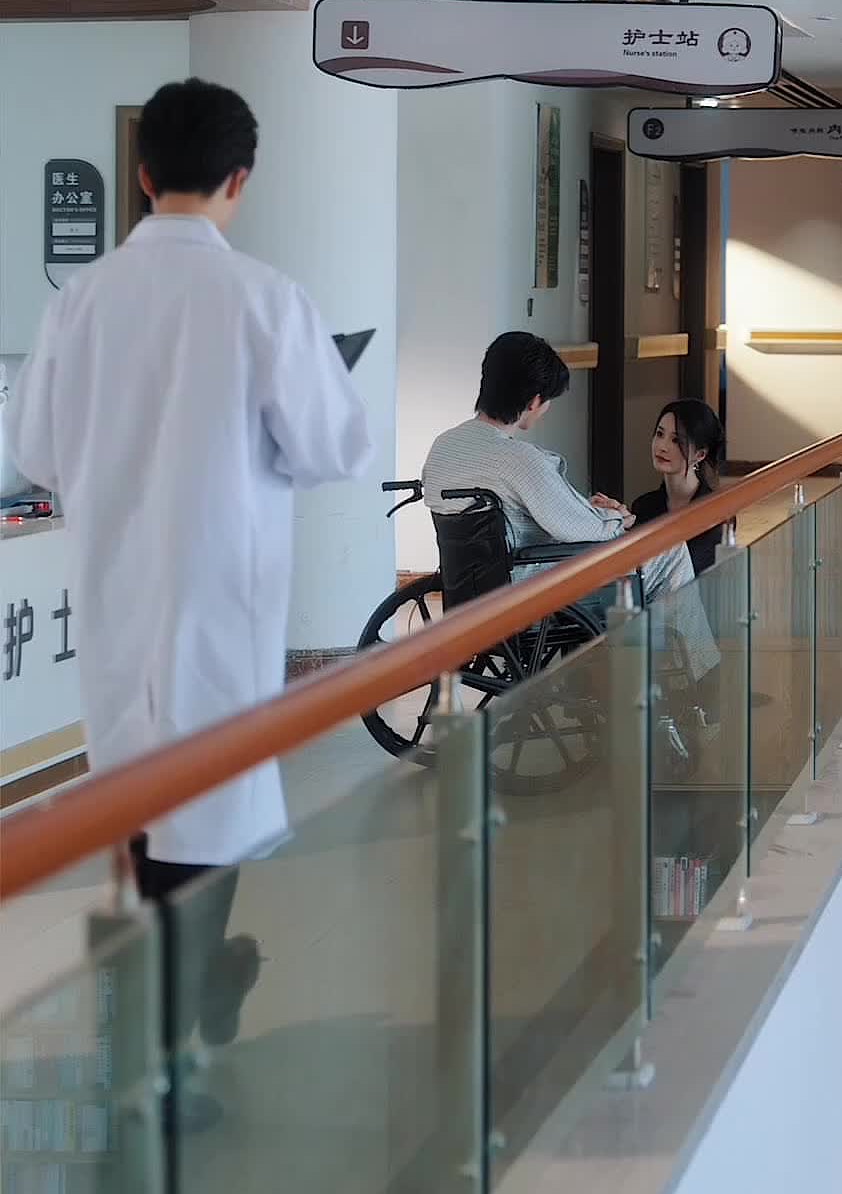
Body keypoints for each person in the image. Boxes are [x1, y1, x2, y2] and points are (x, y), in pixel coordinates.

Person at [7, 78, 374, 1120]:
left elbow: (34, 451)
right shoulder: (263, 299)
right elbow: (333, 446)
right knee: (208, 816)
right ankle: (170, 1048)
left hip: (117, 602)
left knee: (136, 812)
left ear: (141, 172)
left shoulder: (80, 301)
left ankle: (171, 1024)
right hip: (221, 605)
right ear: (240, 180)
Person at [422, 333, 719, 677]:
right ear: (534, 401)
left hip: (471, 591)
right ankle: (698, 670)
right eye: (547, 401)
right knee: (670, 552)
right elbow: (577, 527)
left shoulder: (443, 446)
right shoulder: (519, 460)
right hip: (530, 588)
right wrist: (616, 518)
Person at [632, 399, 735, 578]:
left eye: (676, 440)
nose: (662, 446)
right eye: (659, 434)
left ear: (700, 454)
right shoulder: (643, 506)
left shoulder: (717, 511)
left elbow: (689, 569)